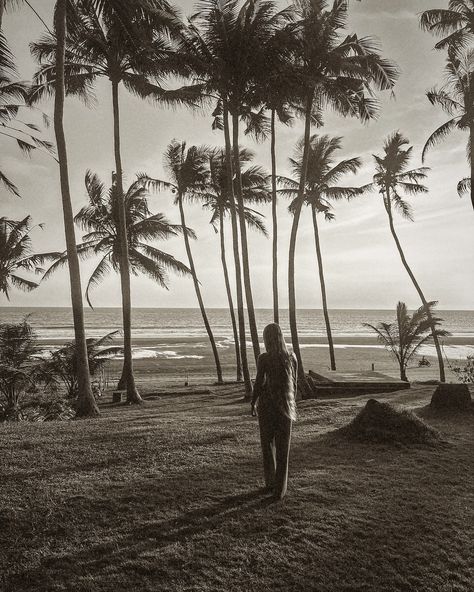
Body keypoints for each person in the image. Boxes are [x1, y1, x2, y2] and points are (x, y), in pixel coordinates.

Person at [251, 323, 297, 499]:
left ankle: (270, 483)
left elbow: (258, 383)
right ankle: (280, 491)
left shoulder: (264, 358)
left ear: (266, 339)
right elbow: (295, 383)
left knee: (268, 446)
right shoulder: (291, 358)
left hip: (267, 406)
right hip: (286, 406)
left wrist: (253, 401)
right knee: (283, 450)